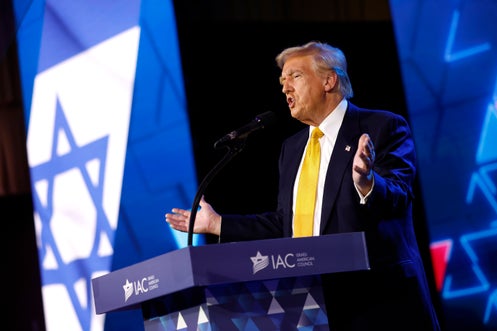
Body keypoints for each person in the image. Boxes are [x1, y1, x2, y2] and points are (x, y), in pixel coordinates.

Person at [165, 41, 441, 331]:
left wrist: (367, 183)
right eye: (282, 80)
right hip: (309, 309)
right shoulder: (292, 148)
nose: (285, 88)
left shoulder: (382, 126)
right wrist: (219, 224)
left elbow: (399, 196)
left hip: (378, 304)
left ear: (329, 80)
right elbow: (288, 224)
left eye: (295, 76)